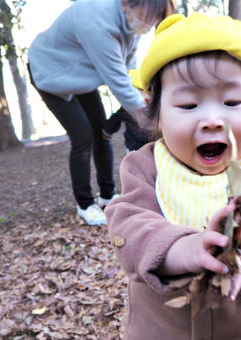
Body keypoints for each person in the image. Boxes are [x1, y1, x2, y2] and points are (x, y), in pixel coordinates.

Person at [104, 13, 241, 339]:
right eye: (189, 105)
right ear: (157, 115)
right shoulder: (146, 168)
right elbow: (127, 229)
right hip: (160, 330)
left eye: (231, 101)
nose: (212, 119)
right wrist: (185, 249)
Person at [27, 0, 175, 226]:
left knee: (102, 131)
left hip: (80, 74)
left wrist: (144, 93)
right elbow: (119, 84)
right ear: (126, 3)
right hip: (49, 72)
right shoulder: (97, 23)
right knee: (83, 136)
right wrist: (156, 123)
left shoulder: (130, 24)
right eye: (146, 17)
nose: (148, 25)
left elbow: (130, 70)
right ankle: (85, 204)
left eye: (153, 20)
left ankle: (107, 194)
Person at [102, 70, 154, 153]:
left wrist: (107, 132)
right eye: (139, 91)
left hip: (149, 145)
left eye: (144, 91)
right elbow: (115, 119)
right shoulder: (127, 109)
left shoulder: (156, 108)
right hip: (134, 147)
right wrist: (107, 131)